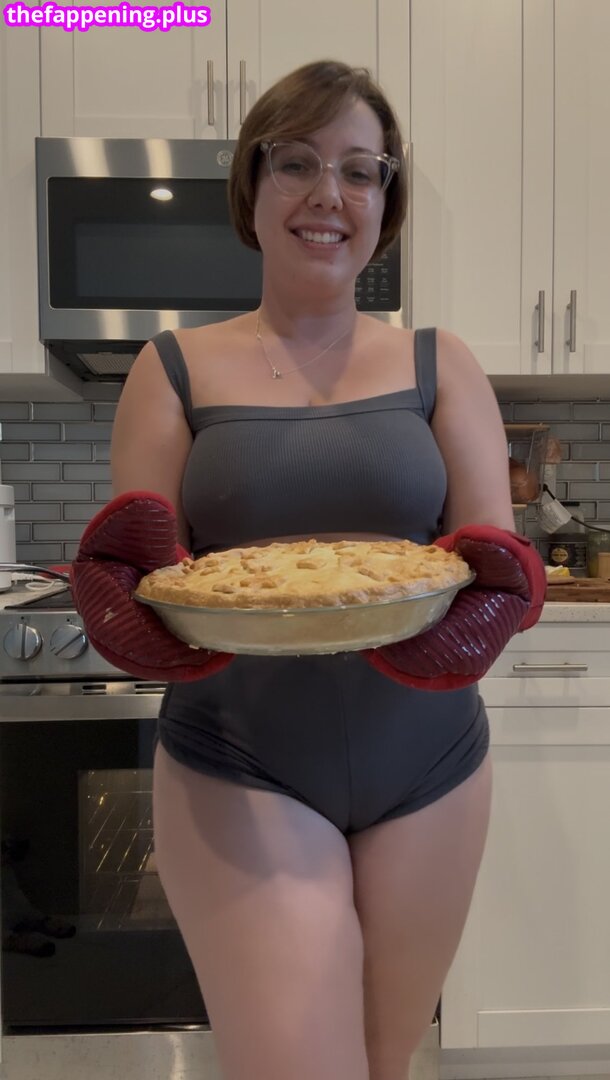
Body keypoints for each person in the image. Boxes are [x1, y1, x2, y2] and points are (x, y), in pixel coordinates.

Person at [72, 60, 545, 1080]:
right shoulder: (172, 368)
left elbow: (494, 556)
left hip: (432, 768)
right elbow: (144, 563)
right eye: (297, 163)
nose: (329, 194)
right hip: (240, 762)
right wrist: (121, 597)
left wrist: (494, 604)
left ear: (386, 202)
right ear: (252, 186)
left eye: (360, 170)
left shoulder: (441, 364)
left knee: (382, 1063)